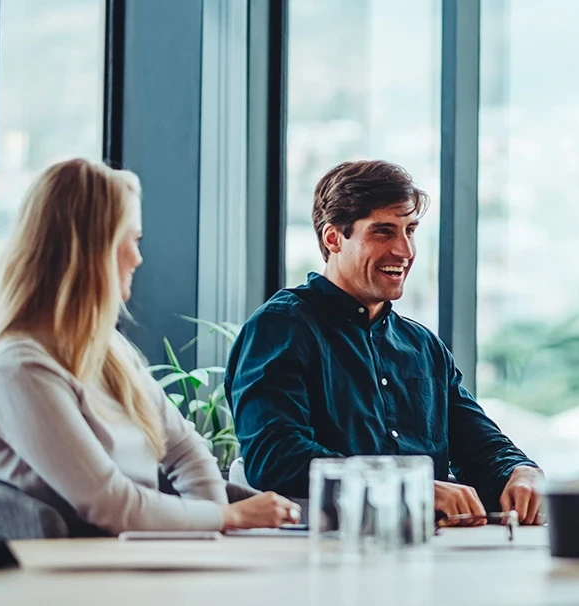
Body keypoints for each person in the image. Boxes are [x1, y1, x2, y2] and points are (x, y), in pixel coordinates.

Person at [0, 159, 299, 534]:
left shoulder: (108, 349)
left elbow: (185, 449)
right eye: (133, 239)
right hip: (72, 579)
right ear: (95, 250)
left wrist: (212, 529)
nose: (139, 257)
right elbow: (110, 504)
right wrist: (229, 516)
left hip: (133, 558)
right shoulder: (19, 369)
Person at [227, 160, 543, 526]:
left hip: (433, 554)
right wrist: (409, 487)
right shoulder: (281, 327)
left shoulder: (423, 346)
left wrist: (520, 471)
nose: (405, 251)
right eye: (383, 232)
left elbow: (480, 445)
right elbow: (276, 457)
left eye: (410, 231)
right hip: (323, 556)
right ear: (333, 238)